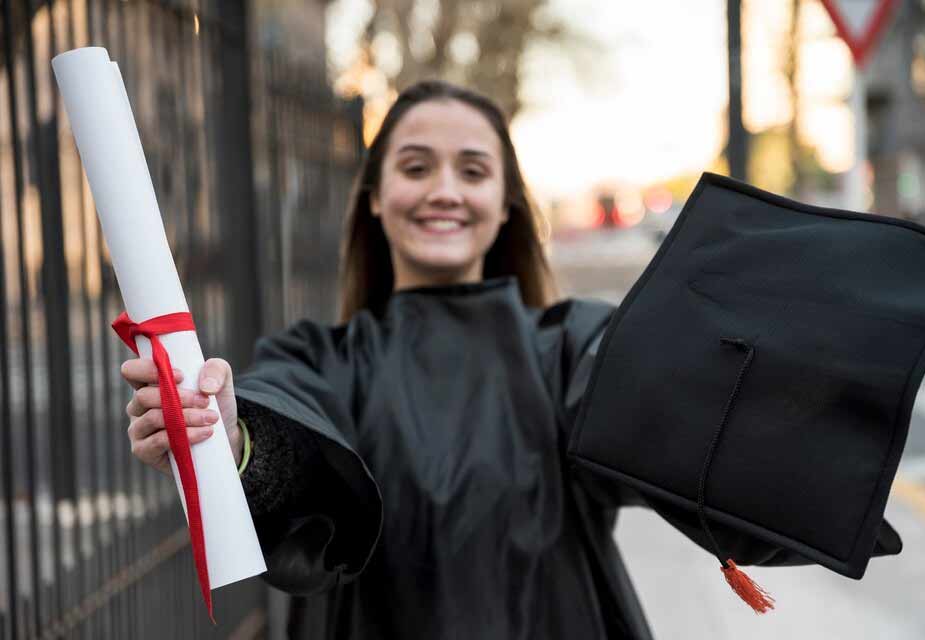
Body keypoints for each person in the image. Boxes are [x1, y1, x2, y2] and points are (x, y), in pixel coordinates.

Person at [121, 81, 803, 639]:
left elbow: (671, 408)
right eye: (416, 167)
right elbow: (288, 436)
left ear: (505, 205)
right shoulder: (320, 359)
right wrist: (226, 434)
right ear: (375, 199)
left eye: (472, 171)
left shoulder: (569, 349)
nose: (444, 190)